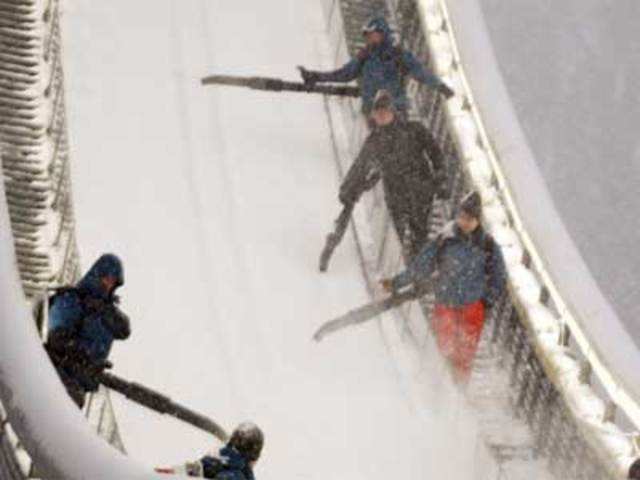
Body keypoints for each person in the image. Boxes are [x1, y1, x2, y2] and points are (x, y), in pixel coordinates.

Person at [381, 192, 507, 383]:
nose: (465, 222)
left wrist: (486, 301)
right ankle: (438, 388)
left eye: (470, 219)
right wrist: (397, 282)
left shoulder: (488, 246)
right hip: (446, 303)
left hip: (473, 307)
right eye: (462, 217)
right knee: (443, 348)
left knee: (464, 355)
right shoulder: (445, 239)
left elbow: (499, 276)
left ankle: (457, 395)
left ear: (478, 220)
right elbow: (422, 265)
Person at [339, 89, 449, 259]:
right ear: (374, 115)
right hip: (396, 195)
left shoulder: (414, 130)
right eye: (378, 113)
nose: (381, 116)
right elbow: (360, 167)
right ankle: (408, 270)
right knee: (401, 236)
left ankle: (418, 273)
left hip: (421, 191)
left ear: (393, 112)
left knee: (419, 234)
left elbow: (436, 153)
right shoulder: (374, 141)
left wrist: (441, 177)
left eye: (385, 112)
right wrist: (347, 188)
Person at [298, 16, 454, 117]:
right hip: (373, 111)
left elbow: (420, 72)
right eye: (366, 36)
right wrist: (316, 77)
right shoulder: (365, 56)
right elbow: (344, 74)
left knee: (395, 149)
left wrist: (440, 86)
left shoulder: (397, 55)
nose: (368, 39)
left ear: (382, 33)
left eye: (372, 35)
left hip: (395, 110)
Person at [45, 253, 130, 408]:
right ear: (96, 275)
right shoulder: (72, 299)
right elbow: (57, 338)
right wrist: (84, 357)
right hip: (57, 377)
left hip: (78, 385)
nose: (108, 285)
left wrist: (105, 310)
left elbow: (123, 330)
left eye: (113, 282)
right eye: (106, 278)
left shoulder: (105, 312)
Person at [156, 422, 264, 479]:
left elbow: (178, 472)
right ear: (252, 456)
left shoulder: (211, 464)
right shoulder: (235, 476)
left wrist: (163, 473)